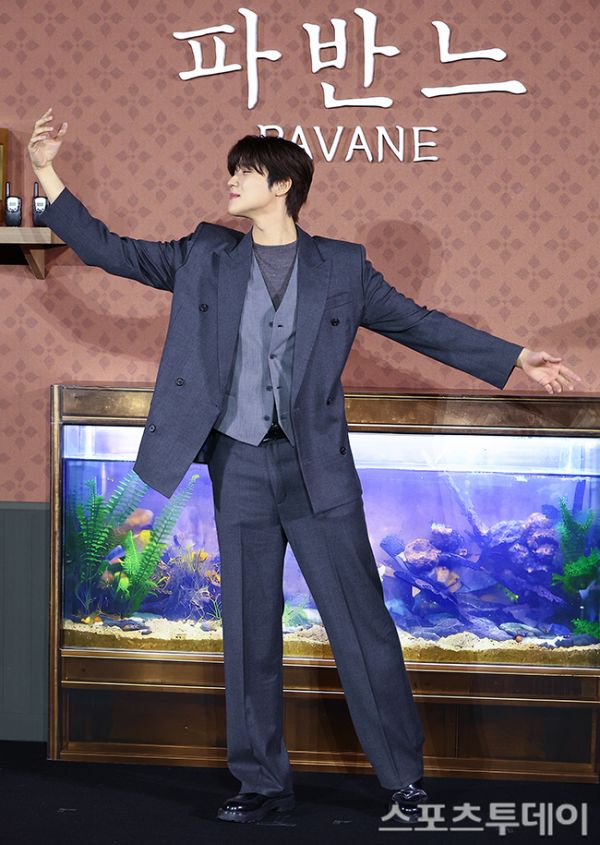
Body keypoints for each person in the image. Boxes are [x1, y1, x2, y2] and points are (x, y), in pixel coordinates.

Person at [28, 108, 582, 825]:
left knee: (363, 622)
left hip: (317, 466)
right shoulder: (204, 254)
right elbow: (110, 250)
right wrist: (45, 171)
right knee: (248, 626)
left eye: (245, 171)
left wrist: (515, 357)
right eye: (232, 170)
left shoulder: (343, 268)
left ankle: (403, 777)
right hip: (238, 461)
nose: (231, 180)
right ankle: (260, 782)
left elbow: (419, 323)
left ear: (283, 184)